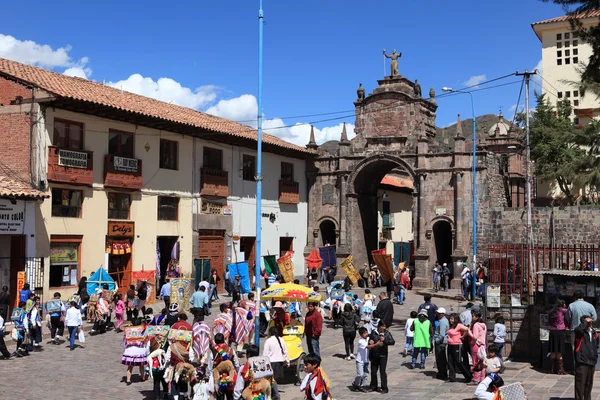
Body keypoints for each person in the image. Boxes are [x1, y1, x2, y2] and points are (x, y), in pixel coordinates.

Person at [574, 315, 599, 400]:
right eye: (587, 322)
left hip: (591, 361)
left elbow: (596, 345)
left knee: (589, 383)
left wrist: (595, 355)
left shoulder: (594, 332)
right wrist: (585, 322)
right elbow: (578, 330)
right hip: (582, 361)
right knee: (580, 383)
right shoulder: (580, 332)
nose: (589, 323)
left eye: (590, 322)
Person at [368, 320, 394, 393]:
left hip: (383, 355)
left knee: (382, 372)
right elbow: (370, 340)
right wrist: (370, 341)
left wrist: (385, 340)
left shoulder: (386, 333)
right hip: (374, 355)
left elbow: (392, 342)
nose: (384, 328)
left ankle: (384, 387)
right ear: (379, 326)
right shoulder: (374, 332)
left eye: (385, 326)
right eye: (383, 326)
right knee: (373, 371)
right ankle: (373, 386)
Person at [446, 313, 472, 383]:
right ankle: (452, 377)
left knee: (458, 361)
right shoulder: (451, 326)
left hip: (457, 345)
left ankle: (468, 376)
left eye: (452, 319)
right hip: (450, 345)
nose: (450, 320)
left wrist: (463, 336)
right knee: (450, 361)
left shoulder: (459, 325)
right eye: (450, 319)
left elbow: (467, 329)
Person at [263, 326, 289, 392]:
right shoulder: (281, 340)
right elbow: (285, 352)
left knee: (271, 379)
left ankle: (275, 393)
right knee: (274, 379)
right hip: (279, 362)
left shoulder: (268, 341)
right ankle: (273, 392)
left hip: (271, 362)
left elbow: (265, 353)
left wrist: (263, 363)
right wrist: (287, 361)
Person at [468, 309, 487, 384]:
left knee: (475, 362)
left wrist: (469, 331)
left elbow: (475, 336)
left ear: (476, 317)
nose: (472, 317)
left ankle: (475, 378)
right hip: (483, 345)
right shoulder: (484, 325)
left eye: (473, 316)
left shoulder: (476, 325)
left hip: (476, 344)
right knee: (482, 362)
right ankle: (482, 378)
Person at [548, 300, 567, 374]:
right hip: (560, 331)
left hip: (552, 331)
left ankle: (553, 369)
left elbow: (549, 322)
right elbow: (569, 312)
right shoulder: (562, 310)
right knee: (559, 350)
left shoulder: (551, 312)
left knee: (553, 350)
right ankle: (560, 370)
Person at [351, 327, 370, 392]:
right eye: (364, 333)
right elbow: (368, 346)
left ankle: (363, 386)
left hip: (366, 360)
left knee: (365, 374)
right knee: (360, 374)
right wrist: (376, 344)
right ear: (361, 335)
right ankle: (355, 383)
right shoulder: (361, 341)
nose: (366, 334)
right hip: (360, 361)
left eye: (367, 332)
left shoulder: (368, 339)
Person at [434, 307, 449, 380]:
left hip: (440, 342)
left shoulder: (443, 322)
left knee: (440, 358)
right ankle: (442, 372)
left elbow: (442, 334)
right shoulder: (444, 320)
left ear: (443, 314)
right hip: (442, 341)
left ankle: (442, 373)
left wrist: (437, 340)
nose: (438, 315)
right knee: (441, 358)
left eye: (439, 314)